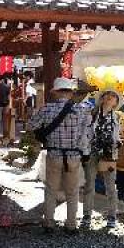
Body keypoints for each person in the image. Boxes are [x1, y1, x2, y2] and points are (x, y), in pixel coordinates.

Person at [29, 77, 91, 234]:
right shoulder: (82, 109)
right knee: (72, 192)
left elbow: (31, 125)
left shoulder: (47, 109)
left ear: (56, 93)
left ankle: (49, 223)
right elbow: (86, 134)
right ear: (71, 93)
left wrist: (42, 133)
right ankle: (71, 225)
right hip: (73, 155)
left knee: (51, 190)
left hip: (54, 153)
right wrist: (85, 153)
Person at [80, 88, 122, 230]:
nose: (110, 98)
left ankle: (112, 216)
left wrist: (117, 144)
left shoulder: (116, 117)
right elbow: (86, 133)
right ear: (102, 98)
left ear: (116, 102)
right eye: (107, 95)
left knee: (110, 186)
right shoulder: (92, 113)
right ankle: (86, 216)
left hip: (109, 153)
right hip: (92, 152)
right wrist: (84, 151)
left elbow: (116, 136)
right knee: (89, 185)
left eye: (113, 96)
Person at [0, 74, 11, 140]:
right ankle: (5, 135)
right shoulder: (7, 86)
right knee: (5, 121)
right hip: (5, 104)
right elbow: (8, 96)